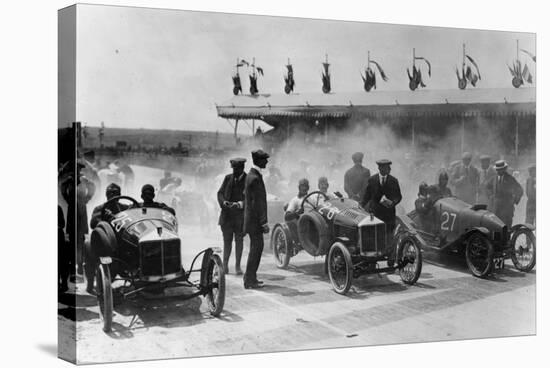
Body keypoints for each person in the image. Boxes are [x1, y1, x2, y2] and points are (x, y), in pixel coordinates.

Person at [360, 159, 402, 258]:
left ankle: (391, 260)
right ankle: (373, 259)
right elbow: (367, 195)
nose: (390, 169)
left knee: (390, 237)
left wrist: (393, 202)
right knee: (375, 236)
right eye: (387, 167)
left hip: (389, 214)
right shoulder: (372, 180)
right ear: (380, 168)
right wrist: (361, 206)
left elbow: (399, 196)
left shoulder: (394, 181)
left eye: (389, 167)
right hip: (375, 214)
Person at [243, 149, 270, 289]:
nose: (266, 161)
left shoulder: (252, 175)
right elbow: (257, 203)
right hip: (255, 222)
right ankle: (249, 280)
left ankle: (250, 277)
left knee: (256, 249)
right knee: (256, 249)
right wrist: (263, 222)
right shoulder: (255, 178)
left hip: (252, 221)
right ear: (258, 161)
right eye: (264, 159)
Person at [217, 158, 247, 275]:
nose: (234, 171)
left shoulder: (248, 179)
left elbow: (251, 198)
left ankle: (238, 266)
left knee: (239, 242)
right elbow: (219, 193)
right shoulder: (228, 178)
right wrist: (224, 202)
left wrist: (239, 204)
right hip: (227, 216)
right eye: (233, 168)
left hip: (240, 217)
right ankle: (225, 265)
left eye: (237, 168)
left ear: (242, 168)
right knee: (227, 241)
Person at [486, 160, 523, 227]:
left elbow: (520, 190)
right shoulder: (494, 178)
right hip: (496, 208)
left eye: (500, 169)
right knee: (496, 227)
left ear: (504, 169)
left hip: (507, 208)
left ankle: (507, 237)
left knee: (507, 227)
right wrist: (490, 196)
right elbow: (487, 187)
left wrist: (514, 200)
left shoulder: (510, 179)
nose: (499, 171)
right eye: (497, 170)